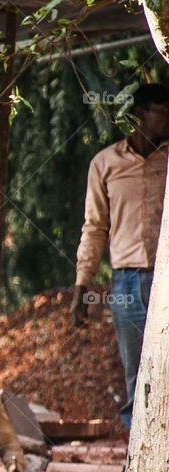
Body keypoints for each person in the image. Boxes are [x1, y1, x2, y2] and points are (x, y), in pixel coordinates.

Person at [70, 83, 169, 429]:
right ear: (141, 114)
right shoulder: (105, 163)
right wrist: (81, 286)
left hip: (166, 275)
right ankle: (137, 447)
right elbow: (94, 228)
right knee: (137, 372)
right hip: (127, 281)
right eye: (163, 112)